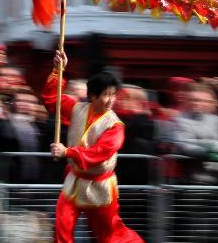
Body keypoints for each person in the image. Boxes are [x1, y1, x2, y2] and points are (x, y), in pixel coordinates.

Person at [42, 50, 143, 243]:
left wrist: (67, 152)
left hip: (100, 185)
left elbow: (101, 153)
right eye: (106, 95)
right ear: (93, 96)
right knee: (61, 230)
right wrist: (58, 70)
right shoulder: (77, 108)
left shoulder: (115, 125)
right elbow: (52, 99)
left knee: (111, 235)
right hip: (75, 180)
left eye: (113, 94)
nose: (111, 100)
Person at [171, 83, 218, 185]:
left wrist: (203, 144)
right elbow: (183, 146)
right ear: (186, 101)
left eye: (204, 101)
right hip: (191, 181)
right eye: (194, 100)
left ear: (212, 103)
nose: (198, 104)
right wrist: (214, 151)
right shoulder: (178, 121)